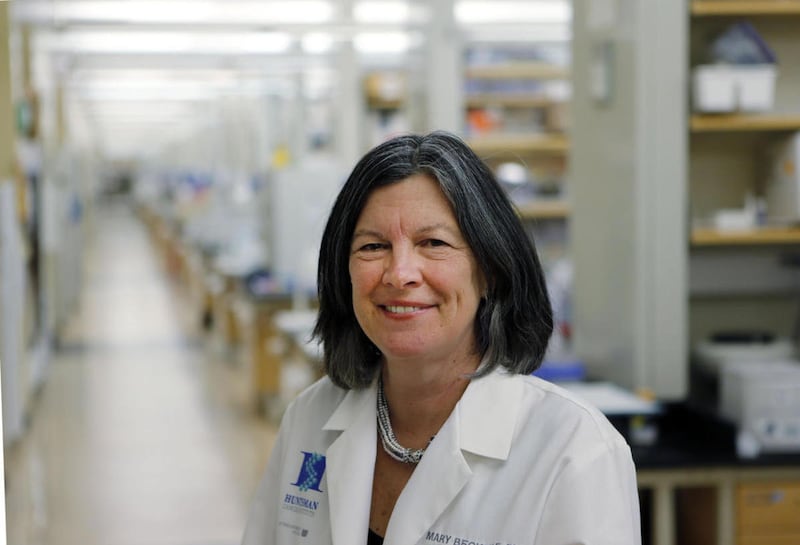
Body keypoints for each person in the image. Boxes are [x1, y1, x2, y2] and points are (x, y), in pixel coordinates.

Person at [242, 131, 641, 545]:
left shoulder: (575, 451)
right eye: (373, 246)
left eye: (433, 243)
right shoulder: (309, 417)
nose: (400, 274)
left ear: (490, 270)